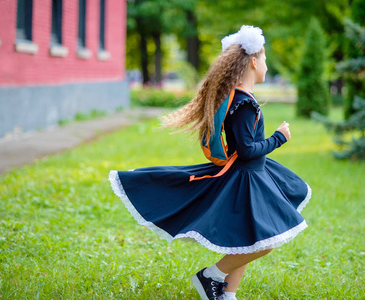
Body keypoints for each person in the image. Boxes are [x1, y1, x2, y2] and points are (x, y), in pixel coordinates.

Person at [109, 25, 311, 300]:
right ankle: (210, 276)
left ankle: (228, 294)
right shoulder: (244, 104)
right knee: (265, 243)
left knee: (247, 240)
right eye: (264, 59)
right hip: (246, 178)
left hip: (255, 175)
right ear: (253, 61)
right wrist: (278, 138)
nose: (266, 65)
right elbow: (247, 149)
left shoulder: (242, 99)